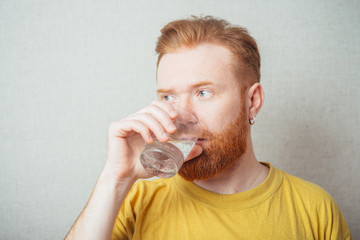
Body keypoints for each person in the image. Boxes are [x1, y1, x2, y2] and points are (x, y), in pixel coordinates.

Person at [65, 16, 352, 240]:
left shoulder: (314, 208)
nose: (181, 115)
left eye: (203, 92)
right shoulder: (134, 202)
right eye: (168, 97)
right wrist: (115, 178)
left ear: (252, 101)